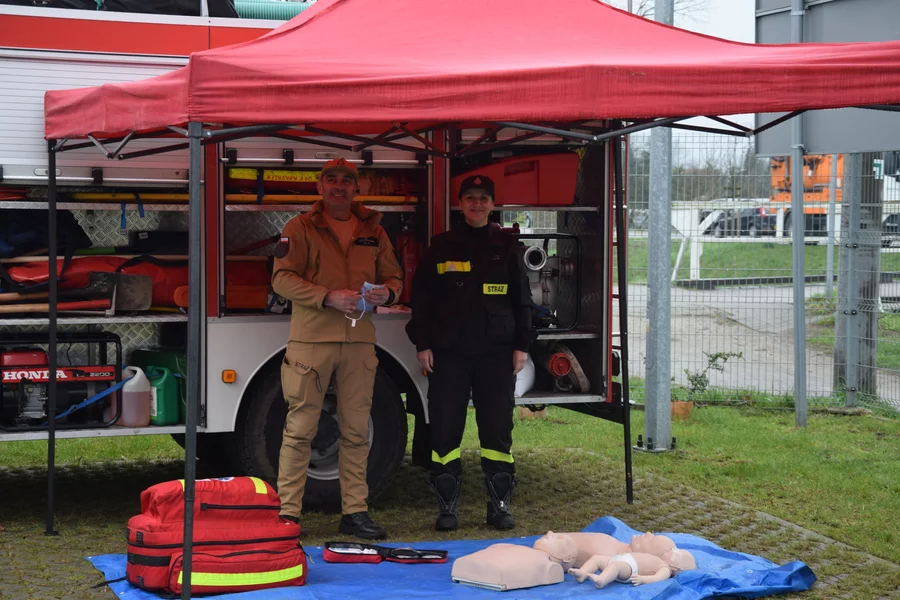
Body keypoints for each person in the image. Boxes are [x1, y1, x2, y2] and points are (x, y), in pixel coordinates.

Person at [271, 157, 402, 540]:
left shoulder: (374, 230)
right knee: (300, 430)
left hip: (358, 342)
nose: (339, 186)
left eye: (346, 180)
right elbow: (281, 279)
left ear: (356, 188)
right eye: (332, 179)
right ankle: (288, 515)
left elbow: (394, 277)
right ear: (320, 186)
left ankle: (355, 512)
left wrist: (387, 293)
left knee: (357, 431)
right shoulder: (299, 227)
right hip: (312, 341)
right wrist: (326, 296)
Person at [405, 174, 536, 531]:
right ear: (460, 204)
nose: (476, 204)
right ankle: (447, 507)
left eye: (483, 198)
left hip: (496, 355)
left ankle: (498, 505)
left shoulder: (507, 246)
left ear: (492, 205)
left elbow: (523, 301)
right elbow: (422, 299)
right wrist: (423, 343)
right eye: (470, 198)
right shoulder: (442, 246)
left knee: (496, 431)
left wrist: (521, 346)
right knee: (445, 431)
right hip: (449, 354)